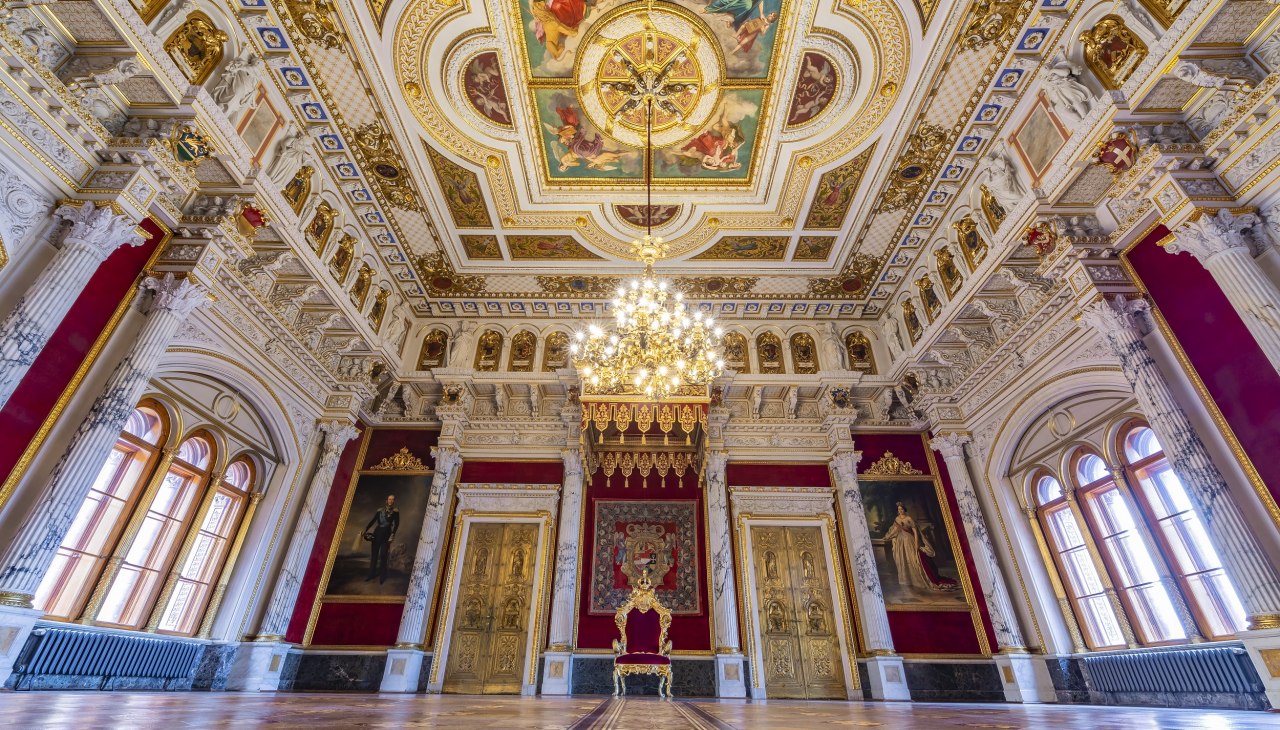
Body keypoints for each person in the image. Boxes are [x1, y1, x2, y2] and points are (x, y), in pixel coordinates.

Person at [883, 502, 958, 593]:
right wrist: (889, 536)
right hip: (900, 541)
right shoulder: (897, 519)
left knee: (913, 559)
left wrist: (916, 544)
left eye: (901, 509)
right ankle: (908, 580)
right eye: (899, 509)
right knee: (904, 559)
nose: (900, 511)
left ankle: (918, 580)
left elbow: (915, 532)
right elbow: (895, 529)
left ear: (904, 509)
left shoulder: (909, 518)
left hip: (909, 541)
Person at [363, 494, 399, 583]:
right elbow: (373, 520)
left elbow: (396, 524)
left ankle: (383, 576)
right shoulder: (379, 511)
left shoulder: (395, 511)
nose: (391, 501)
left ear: (394, 501)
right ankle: (371, 574)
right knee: (374, 555)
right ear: (387, 500)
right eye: (389, 499)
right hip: (377, 533)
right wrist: (365, 529)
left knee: (383, 555)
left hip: (387, 534)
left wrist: (392, 535)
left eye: (392, 499)